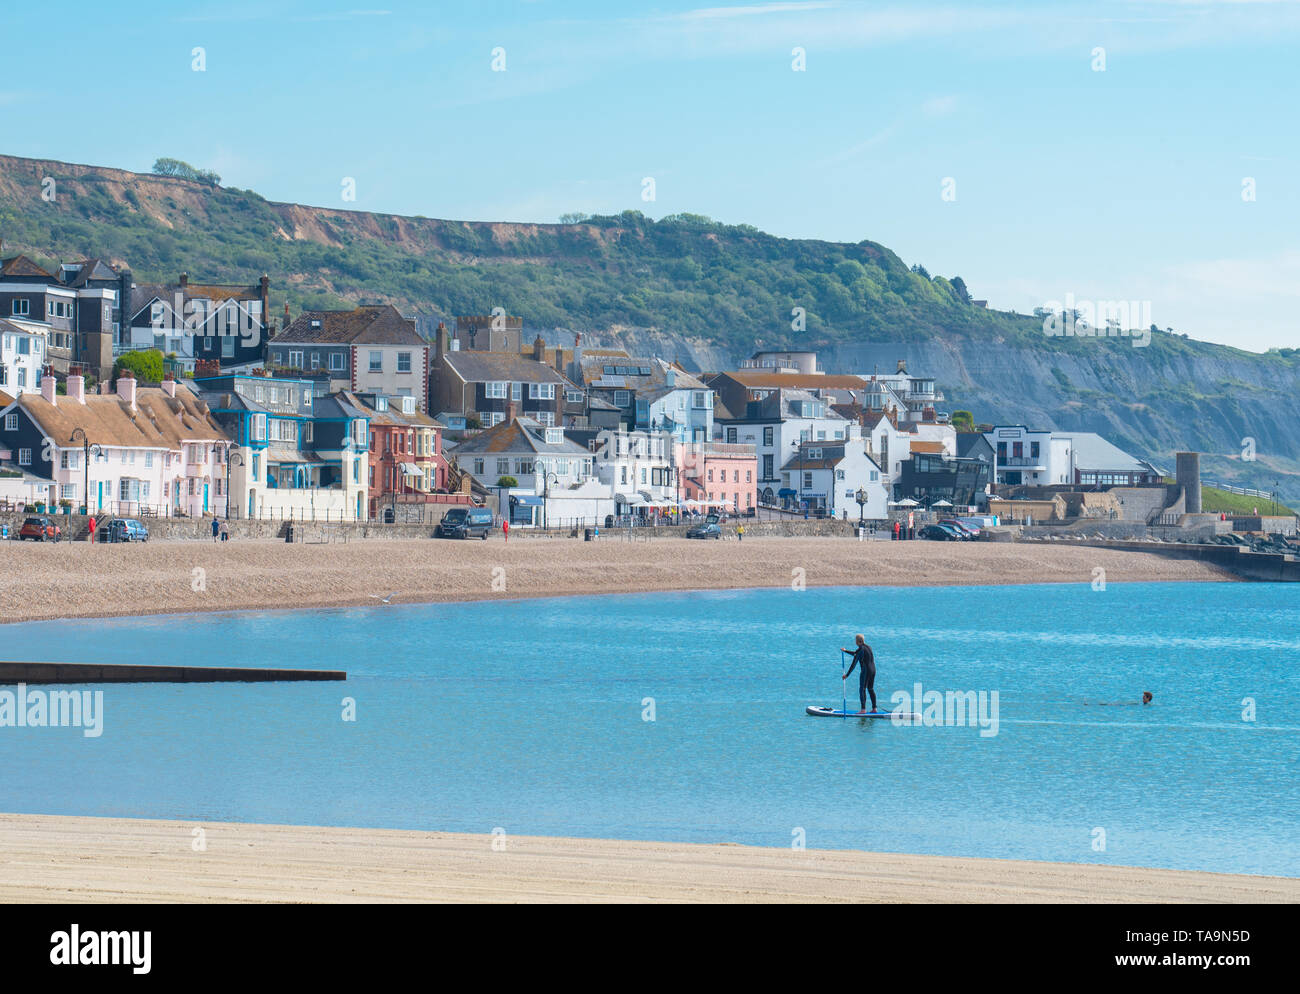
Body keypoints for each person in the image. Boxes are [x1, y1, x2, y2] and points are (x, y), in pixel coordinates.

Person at [841, 634, 877, 714]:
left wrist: (847, 675)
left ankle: (863, 709)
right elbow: (855, 654)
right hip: (873, 670)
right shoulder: (868, 647)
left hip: (866, 671)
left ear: (857, 641)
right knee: (870, 689)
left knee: (862, 689)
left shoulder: (861, 650)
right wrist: (845, 651)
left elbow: (854, 664)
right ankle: (874, 708)